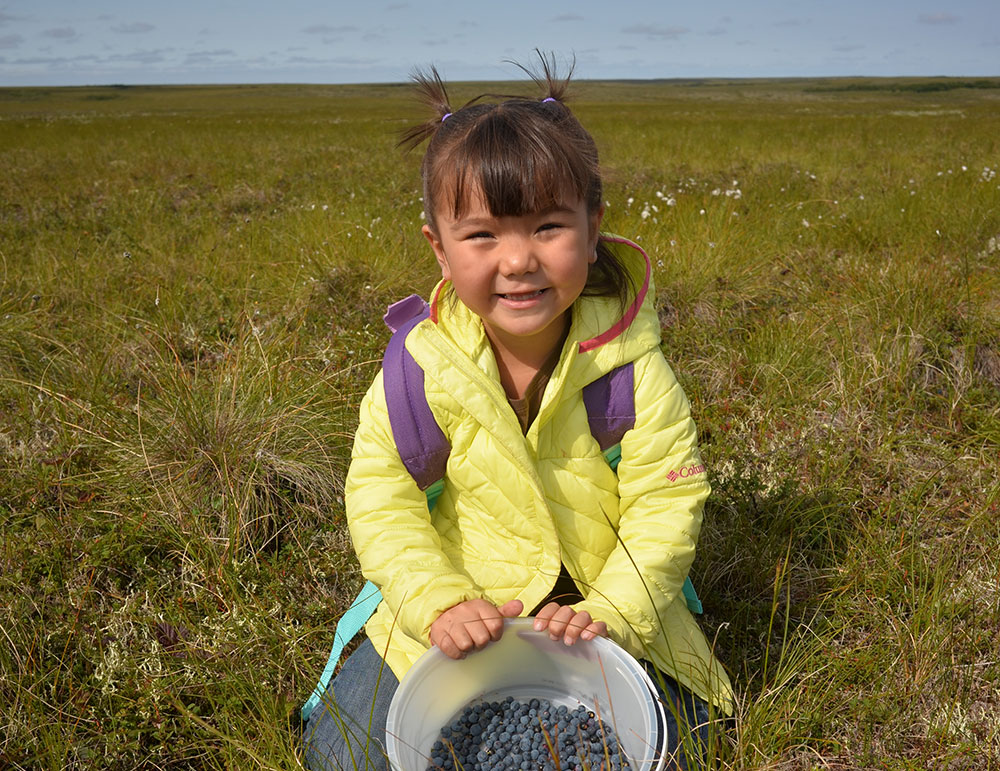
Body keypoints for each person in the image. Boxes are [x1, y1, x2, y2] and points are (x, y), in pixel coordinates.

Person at [302, 56, 733, 770]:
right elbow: (383, 499)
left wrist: (616, 612)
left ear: (592, 229)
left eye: (546, 227)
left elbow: (667, 499)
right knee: (347, 751)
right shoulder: (419, 369)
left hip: (596, 613)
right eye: (482, 235)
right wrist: (436, 599)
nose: (517, 260)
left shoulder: (629, 366)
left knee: (673, 748)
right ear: (438, 248)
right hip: (459, 613)